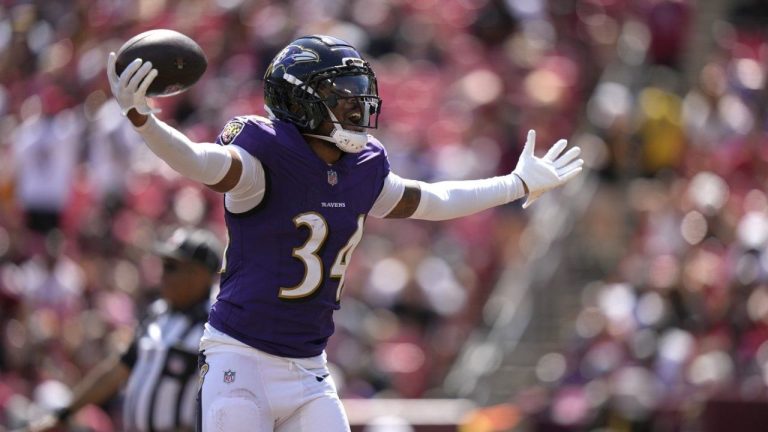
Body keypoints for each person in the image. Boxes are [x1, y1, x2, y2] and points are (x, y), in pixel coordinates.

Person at [106, 34, 583, 432]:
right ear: (301, 100)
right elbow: (196, 160)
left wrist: (515, 183)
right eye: (341, 95)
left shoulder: (363, 168)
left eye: (359, 92)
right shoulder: (263, 158)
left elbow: (433, 201)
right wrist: (142, 119)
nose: (358, 105)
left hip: (309, 367)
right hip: (240, 355)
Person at [25, 228, 222, 432]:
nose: (162, 275)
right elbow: (118, 370)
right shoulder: (157, 313)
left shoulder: (214, 327)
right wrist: (63, 414)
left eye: (171, 267)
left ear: (199, 275)